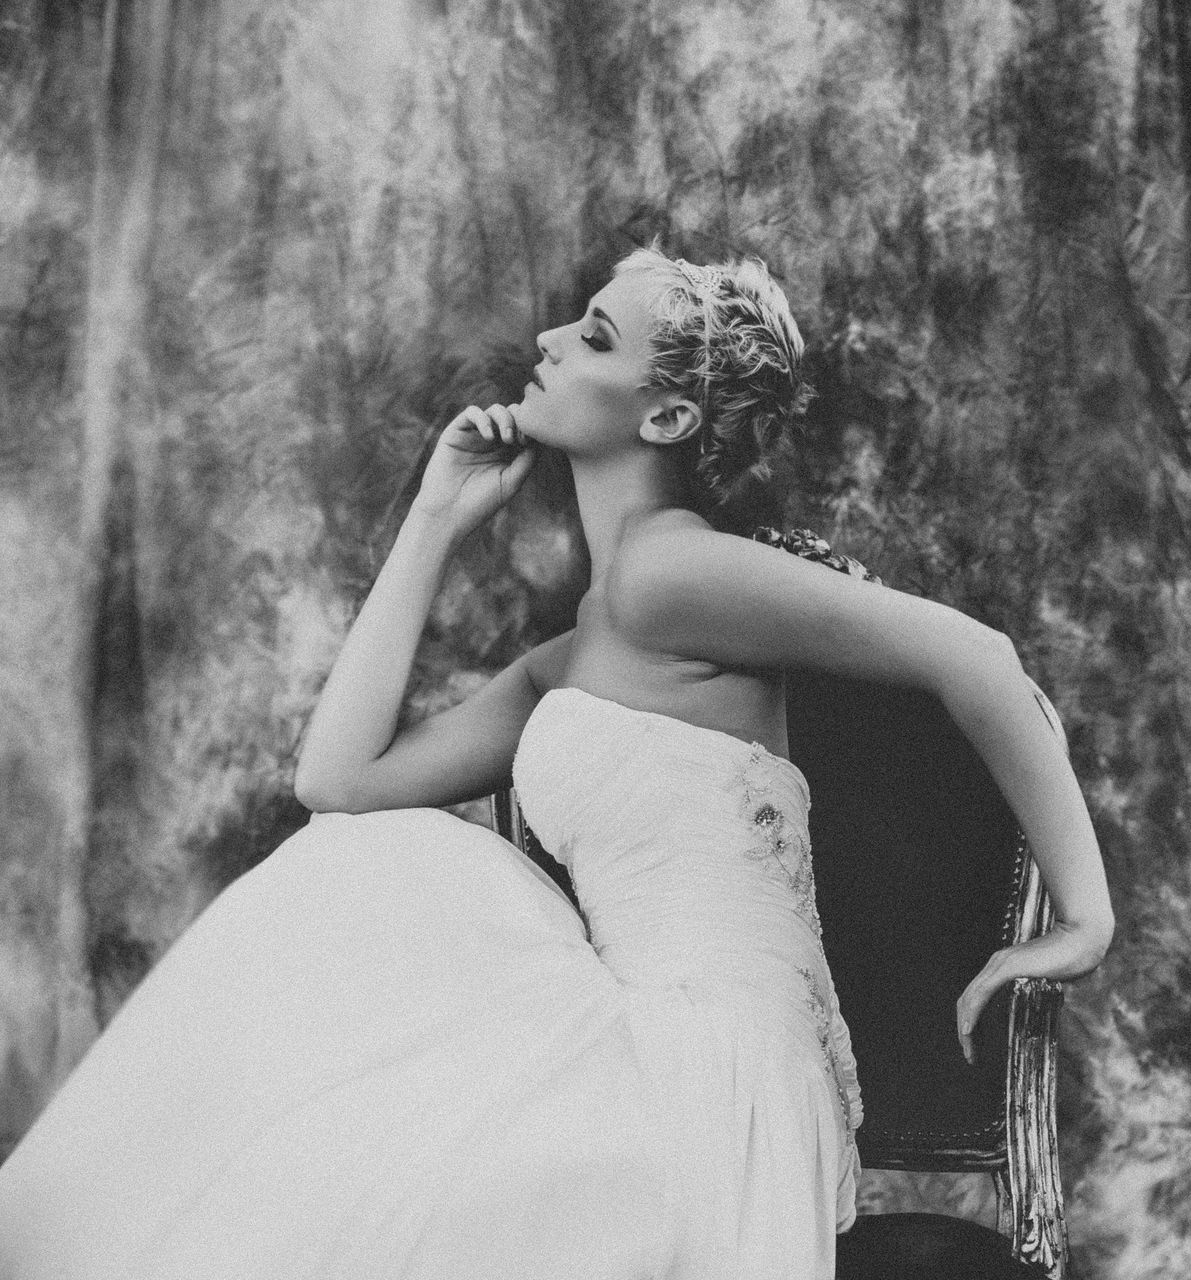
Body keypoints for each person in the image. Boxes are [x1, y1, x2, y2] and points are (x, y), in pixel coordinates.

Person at [0, 250, 1114, 1279]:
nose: (544, 338)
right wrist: (435, 518)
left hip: (720, 1074)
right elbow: (336, 780)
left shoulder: (672, 575)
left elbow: (977, 658)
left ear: (668, 411)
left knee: (399, 1179)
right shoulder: (584, 641)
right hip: (643, 1038)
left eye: (591, 336)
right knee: (362, 877)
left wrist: (1084, 915)